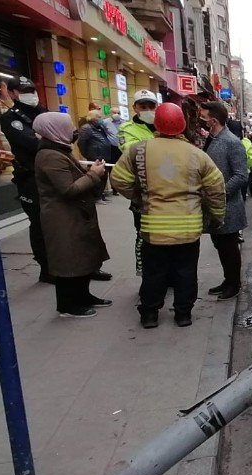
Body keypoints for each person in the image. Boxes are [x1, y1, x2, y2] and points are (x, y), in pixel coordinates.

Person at [112, 103, 225, 328]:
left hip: (154, 228)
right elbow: (216, 188)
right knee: (185, 272)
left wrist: (138, 197)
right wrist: (217, 216)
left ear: (157, 123)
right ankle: (183, 314)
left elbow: (118, 179)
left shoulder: (139, 150)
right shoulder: (196, 154)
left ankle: (150, 314)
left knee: (153, 273)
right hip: (188, 229)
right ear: (182, 125)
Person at [32, 113, 110, 318]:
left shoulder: (60, 150)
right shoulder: (50, 155)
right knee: (69, 260)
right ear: (54, 130)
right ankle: (68, 305)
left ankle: (83, 296)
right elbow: (68, 189)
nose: (72, 130)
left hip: (76, 214)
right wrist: (94, 174)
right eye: (67, 126)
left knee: (82, 257)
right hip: (63, 217)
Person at [0, 75, 52, 283]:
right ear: (12, 93)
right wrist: (49, 138)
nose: (30, 95)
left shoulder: (42, 111)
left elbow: (67, 135)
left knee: (64, 221)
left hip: (52, 174)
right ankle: (46, 268)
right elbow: (33, 143)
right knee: (39, 223)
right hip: (30, 177)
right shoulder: (11, 118)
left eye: (32, 90)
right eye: (24, 91)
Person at [200, 101, 248, 300]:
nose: (200, 121)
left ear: (213, 120)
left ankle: (234, 284)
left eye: (203, 118)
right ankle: (227, 280)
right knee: (220, 245)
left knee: (229, 248)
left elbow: (240, 175)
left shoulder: (231, 142)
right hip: (214, 205)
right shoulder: (213, 138)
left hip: (228, 206)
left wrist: (220, 194)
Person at [119, 91, 159, 274]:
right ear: (134, 108)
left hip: (166, 190)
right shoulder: (127, 129)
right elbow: (131, 152)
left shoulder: (163, 125)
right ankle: (146, 275)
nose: (148, 110)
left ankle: (166, 275)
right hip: (142, 192)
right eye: (143, 107)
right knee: (143, 236)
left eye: (152, 106)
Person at [78, 110, 116, 201]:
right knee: (96, 177)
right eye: (99, 117)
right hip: (95, 157)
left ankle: (100, 195)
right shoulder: (86, 128)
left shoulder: (100, 127)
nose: (101, 119)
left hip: (104, 156)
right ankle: (96, 197)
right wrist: (87, 154)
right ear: (93, 117)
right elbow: (81, 143)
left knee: (104, 177)